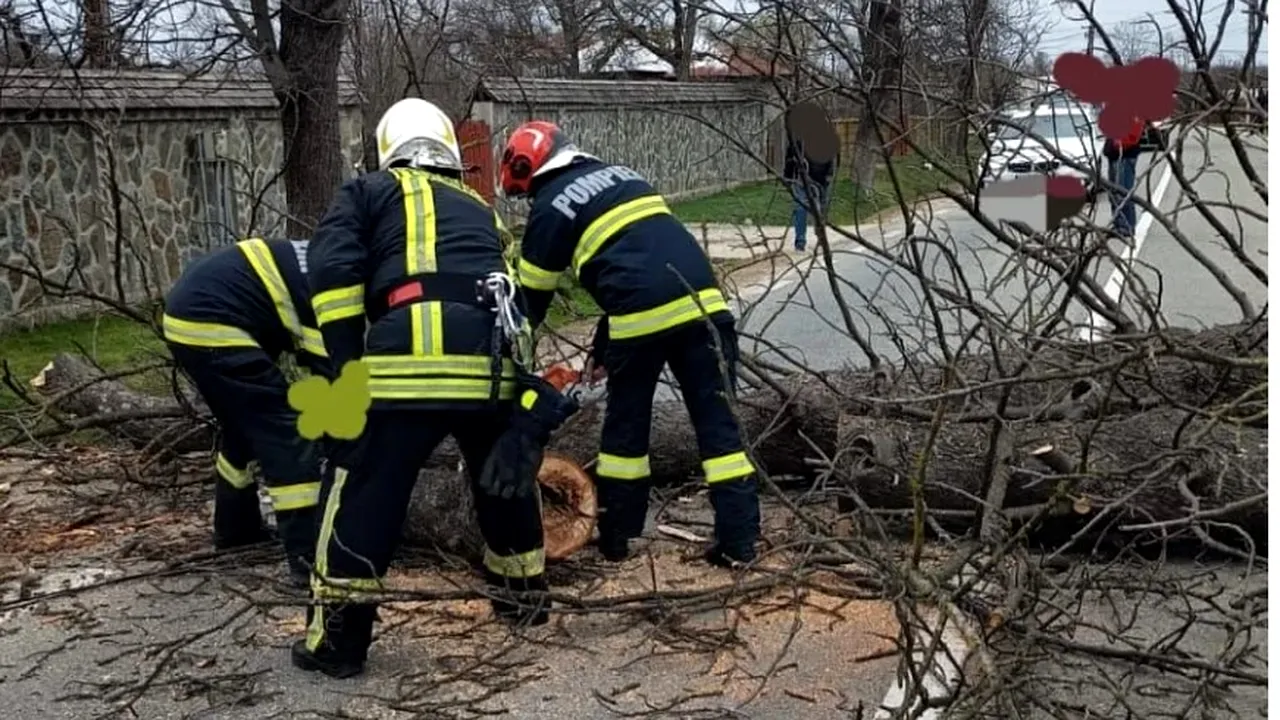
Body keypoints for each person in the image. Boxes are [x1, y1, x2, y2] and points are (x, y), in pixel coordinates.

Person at [293, 98, 549, 679]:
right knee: (503, 478)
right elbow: (514, 294)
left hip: (402, 367)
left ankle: (338, 643)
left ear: (387, 149)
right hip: (488, 365)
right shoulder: (478, 207)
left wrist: (345, 370)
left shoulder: (367, 193)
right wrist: (523, 385)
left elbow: (331, 277)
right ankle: (525, 600)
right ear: (449, 154)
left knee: (363, 491)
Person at [498, 120, 761, 569]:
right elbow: (642, 263)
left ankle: (619, 534)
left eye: (525, 195)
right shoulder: (624, 176)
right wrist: (602, 346)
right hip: (706, 305)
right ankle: (739, 542)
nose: (528, 203)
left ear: (530, 172)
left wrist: (509, 357)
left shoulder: (550, 205)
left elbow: (531, 301)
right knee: (721, 428)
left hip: (640, 318)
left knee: (625, 431)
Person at [161, 237, 331, 588]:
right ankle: (307, 559)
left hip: (194, 314)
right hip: (212, 322)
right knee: (286, 433)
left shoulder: (324, 258)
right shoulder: (331, 290)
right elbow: (332, 375)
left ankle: (234, 531)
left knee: (243, 428)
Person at [783, 134, 838, 252]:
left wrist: (829, 175)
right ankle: (800, 242)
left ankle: (821, 238)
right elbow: (790, 159)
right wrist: (787, 178)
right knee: (800, 209)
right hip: (802, 180)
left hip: (822, 180)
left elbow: (832, 158)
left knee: (820, 211)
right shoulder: (797, 141)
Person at [1102, 118, 1146, 238]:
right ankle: (1118, 223)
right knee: (1114, 192)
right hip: (1115, 154)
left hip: (1124, 155)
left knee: (1123, 190)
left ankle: (1126, 226)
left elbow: (1133, 134)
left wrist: (1119, 143)